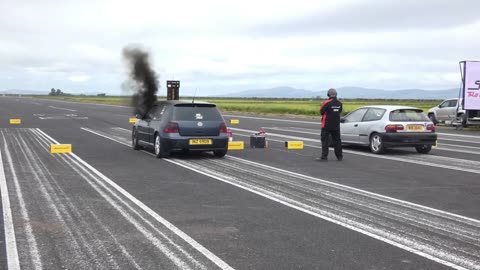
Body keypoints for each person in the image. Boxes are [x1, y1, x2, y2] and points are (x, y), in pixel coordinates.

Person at [316, 88, 343, 161]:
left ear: (328, 94)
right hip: (336, 125)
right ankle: (339, 156)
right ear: (336, 94)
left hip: (326, 124)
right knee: (337, 140)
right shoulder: (339, 103)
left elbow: (321, 111)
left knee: (325, 140)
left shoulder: (326, 102)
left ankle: (324, 156)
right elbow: (340, 111)